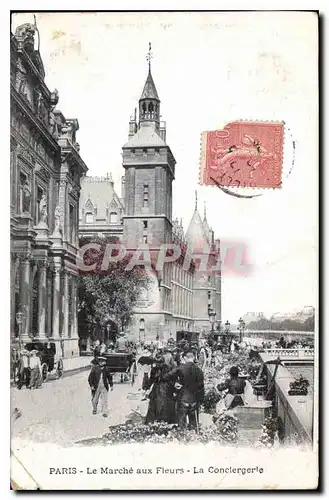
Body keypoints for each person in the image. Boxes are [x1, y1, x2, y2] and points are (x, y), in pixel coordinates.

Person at [163, 351, 205, 431]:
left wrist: (174, 384)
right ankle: (194, 439)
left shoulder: (181, 368)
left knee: (181, 423)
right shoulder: (199, 370)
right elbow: (201, 387)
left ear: (185, 358)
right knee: (194, 424)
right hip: (194, 399)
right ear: (193, 358)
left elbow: (166, 377)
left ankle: (182, 438)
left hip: (183, 397)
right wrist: (201, 400)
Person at [145, 355, 176, 424]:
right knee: (155, 405)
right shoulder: (154, 369)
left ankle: (165, 420)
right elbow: (151, 381)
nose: (157, 365)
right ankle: (156, 420)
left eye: (159, 363)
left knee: (165, 404)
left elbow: (172, 379)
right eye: (156, 363)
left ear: (163, 362)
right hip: (157, 388)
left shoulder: (168, 369)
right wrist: (146, 375)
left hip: (165, 388)